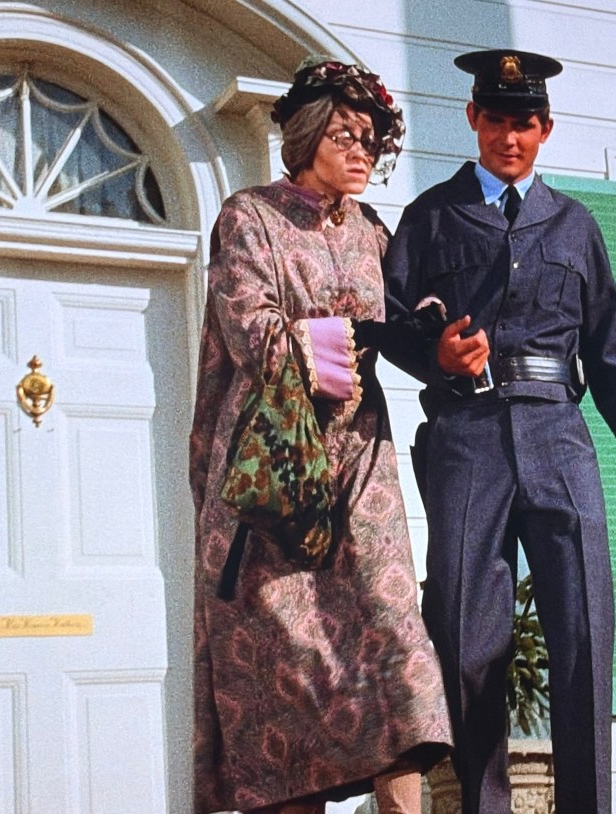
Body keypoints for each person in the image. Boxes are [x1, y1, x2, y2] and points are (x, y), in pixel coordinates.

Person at [381, 49, 616, 814]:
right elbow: (392, 319)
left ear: (546, 129)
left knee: (582, 631)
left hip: (559, 435)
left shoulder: (574, 225)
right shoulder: (431, 217)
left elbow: (608, 340)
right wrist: (436, 355)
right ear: (473, 118)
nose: (510, 137)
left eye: (525, 124)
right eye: (497, 121)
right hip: (466, 435)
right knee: (465, 636)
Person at [189, 56, 452, 814]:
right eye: (347, 136)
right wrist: (349, 340)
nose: (363, 152)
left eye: (372, 140)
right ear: (306, 138)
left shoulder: (374, 232)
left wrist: (436, 335)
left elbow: (409, 324)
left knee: (397, 652)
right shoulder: (249, 217)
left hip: (361, 465)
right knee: (288, 679)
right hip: (270, 474)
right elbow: (253, 332)